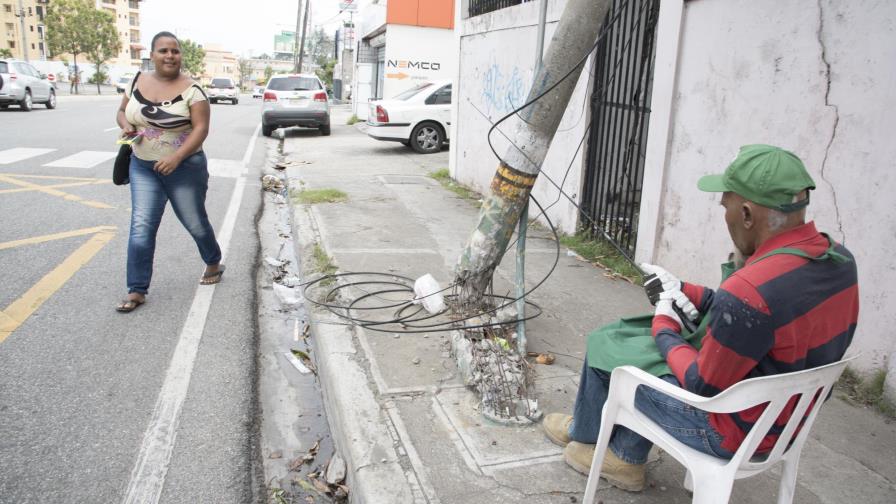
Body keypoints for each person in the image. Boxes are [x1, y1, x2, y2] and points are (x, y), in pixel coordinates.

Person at [542, 144, 859, 491]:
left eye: (727, 206)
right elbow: (764, 317)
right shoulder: (839, 261)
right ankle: (607, 440)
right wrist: (684, 290)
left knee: (612, 346)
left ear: (749, 215)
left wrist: (665, 326)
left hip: (731, 432)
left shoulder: (750, 291)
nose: (726, 217)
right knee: (650, 346)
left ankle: (611, 451)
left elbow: (701, 384)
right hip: (787, 420)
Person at [114, 31, 224, 313]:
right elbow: (122, 111)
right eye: (163, 51)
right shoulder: (137, 80)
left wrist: (176, 158)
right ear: (152, 55)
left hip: (185, 168)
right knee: (141, 227)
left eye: (174, 51)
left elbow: (201, 129)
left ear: (180, 56)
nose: (170, 56)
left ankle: (213, 259)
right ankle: (137, 289)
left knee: (194, 221)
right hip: (143, 166)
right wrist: (126, 124)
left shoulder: (192, 89)